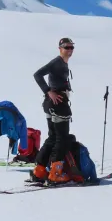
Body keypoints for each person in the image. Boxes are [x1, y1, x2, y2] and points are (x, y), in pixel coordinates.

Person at [30, 37, 75, 185]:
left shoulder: (62, 63)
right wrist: (48, 91)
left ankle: (39, 170)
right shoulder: (56, 62)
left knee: (52, 137)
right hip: (57, 103)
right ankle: (55, 173)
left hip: (51, 103)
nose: (69, 50)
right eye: (66, 47)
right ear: (60, 48)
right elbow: (37, 74)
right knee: (61, 138)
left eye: (71, 47)